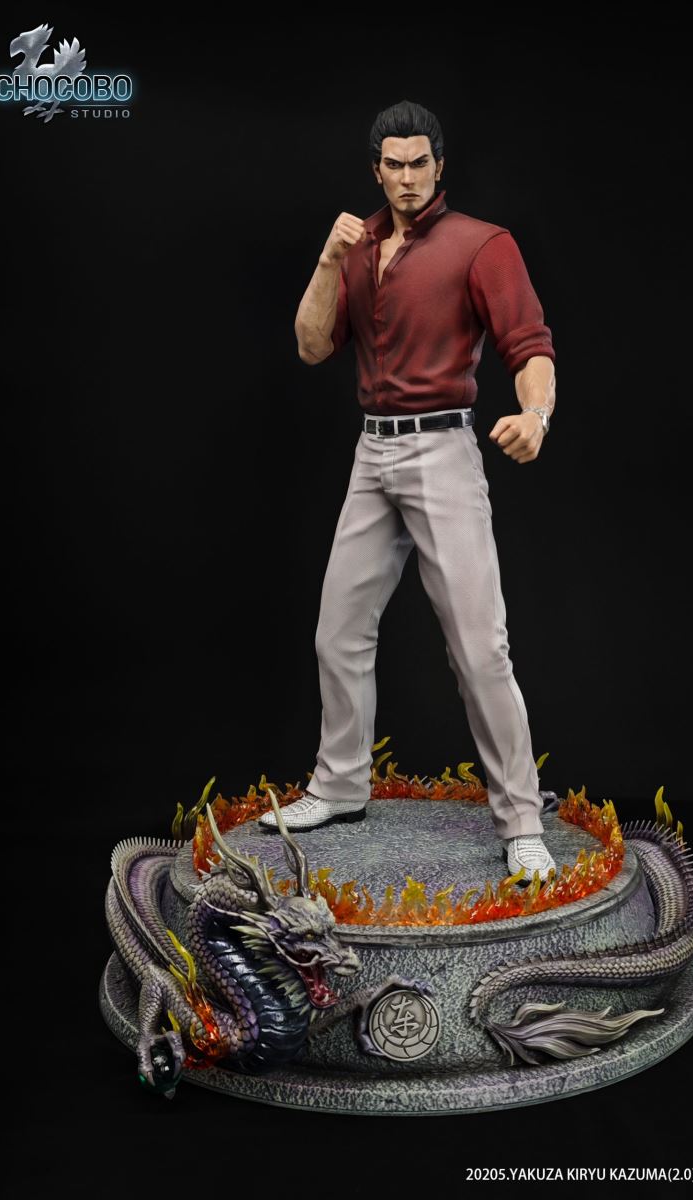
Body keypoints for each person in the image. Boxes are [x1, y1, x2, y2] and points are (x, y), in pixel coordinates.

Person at [260, 100, 558, 882]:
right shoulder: (358, 246)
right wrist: (328, 261)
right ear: (376, 170)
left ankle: (522, 819)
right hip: (373, 452)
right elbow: (312, 346)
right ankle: (340, 784)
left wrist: (536, 414)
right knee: (338, 631)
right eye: (392, 165)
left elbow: (529, 344)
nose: (406, 178)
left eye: (418, 162)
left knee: (478, 648)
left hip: (441, 449)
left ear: (439, 164)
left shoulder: (481, 244)